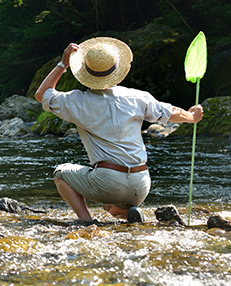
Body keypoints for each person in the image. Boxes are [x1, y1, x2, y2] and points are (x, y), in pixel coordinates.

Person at [34, 37, 203, 223]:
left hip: (108, 182)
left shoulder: (76, 101)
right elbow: (170, 112)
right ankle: (129, 211)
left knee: (61, 173)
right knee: (111, 207)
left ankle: (86, 220)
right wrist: (192, 117)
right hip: (141, 183)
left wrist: (62, 64)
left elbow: (42, 94)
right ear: (117, 69)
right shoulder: (138, 96)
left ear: (84, 71)